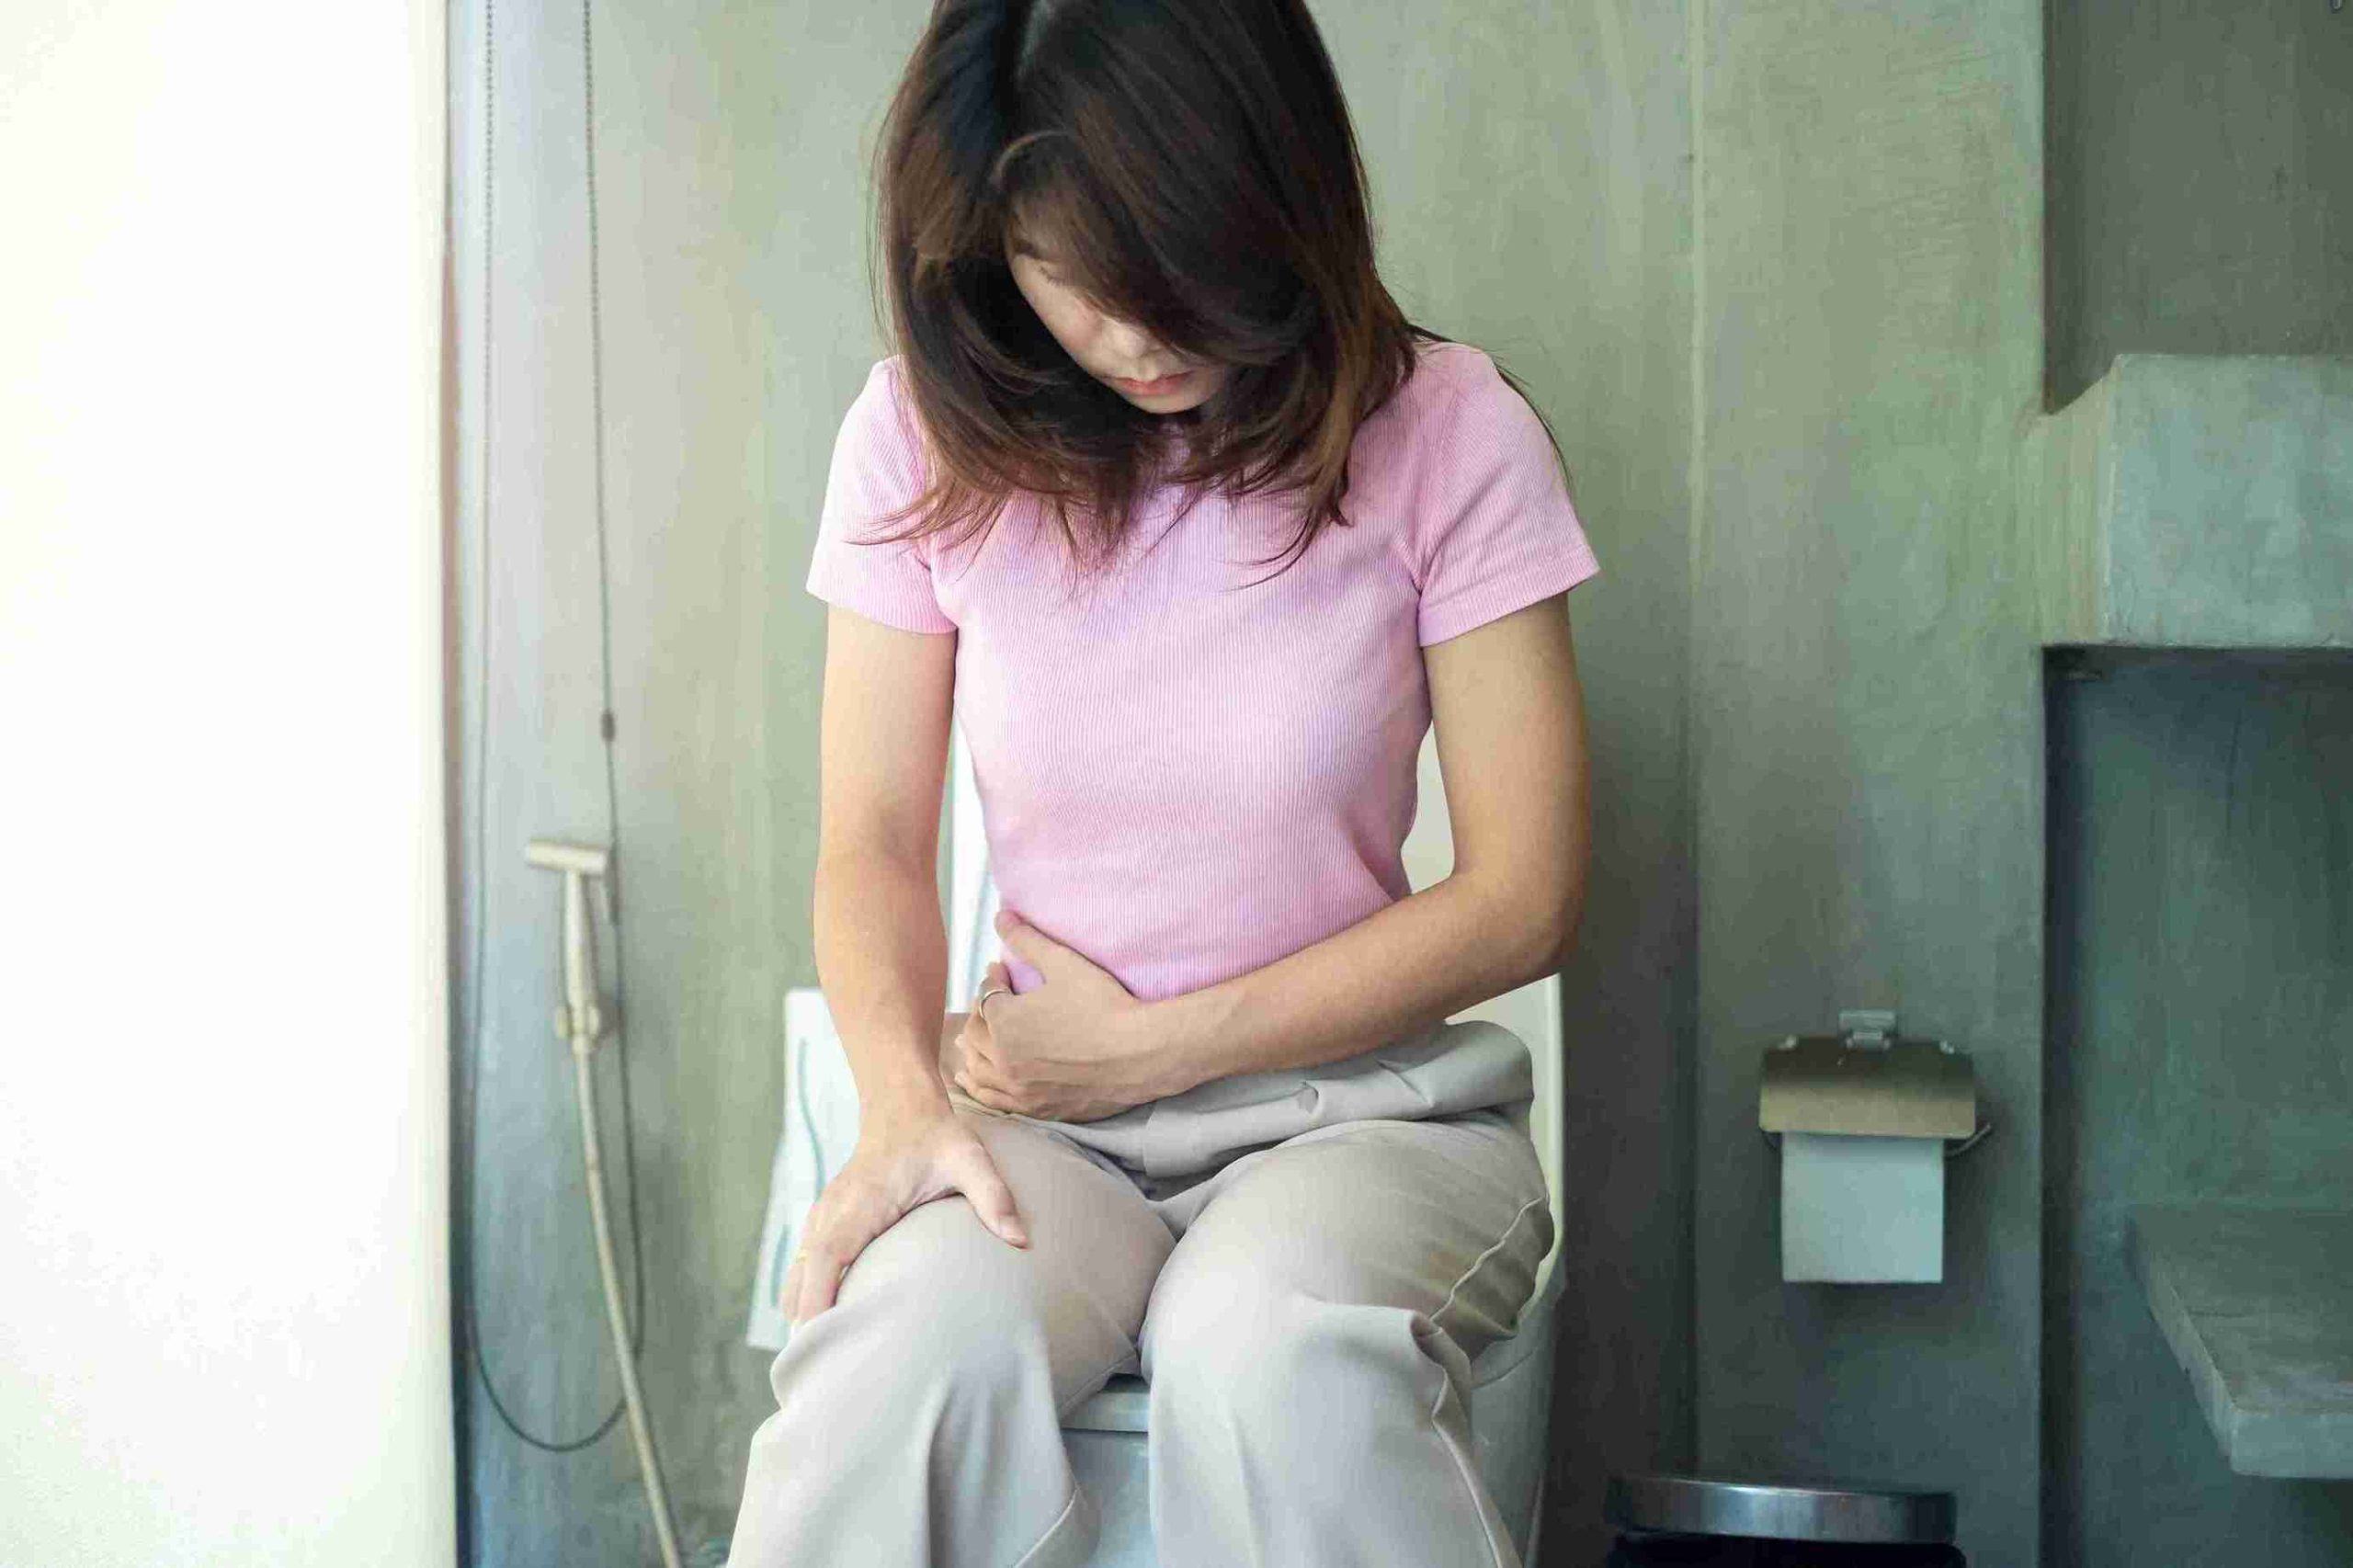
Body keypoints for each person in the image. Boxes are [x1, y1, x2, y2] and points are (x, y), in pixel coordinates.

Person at [726, 1, 1597, 1563]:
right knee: (892, 1359)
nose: (1132, 331)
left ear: (1271, 188)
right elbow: (868, 838)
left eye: (1163, 259)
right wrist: (905, 1107)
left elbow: (1528, 894)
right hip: (1046, 1125)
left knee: (1269, 1355)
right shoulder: (920, 438)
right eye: (1075, 272)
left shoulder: (1455, 431)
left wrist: (1144, 1054)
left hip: (1367, 1118)